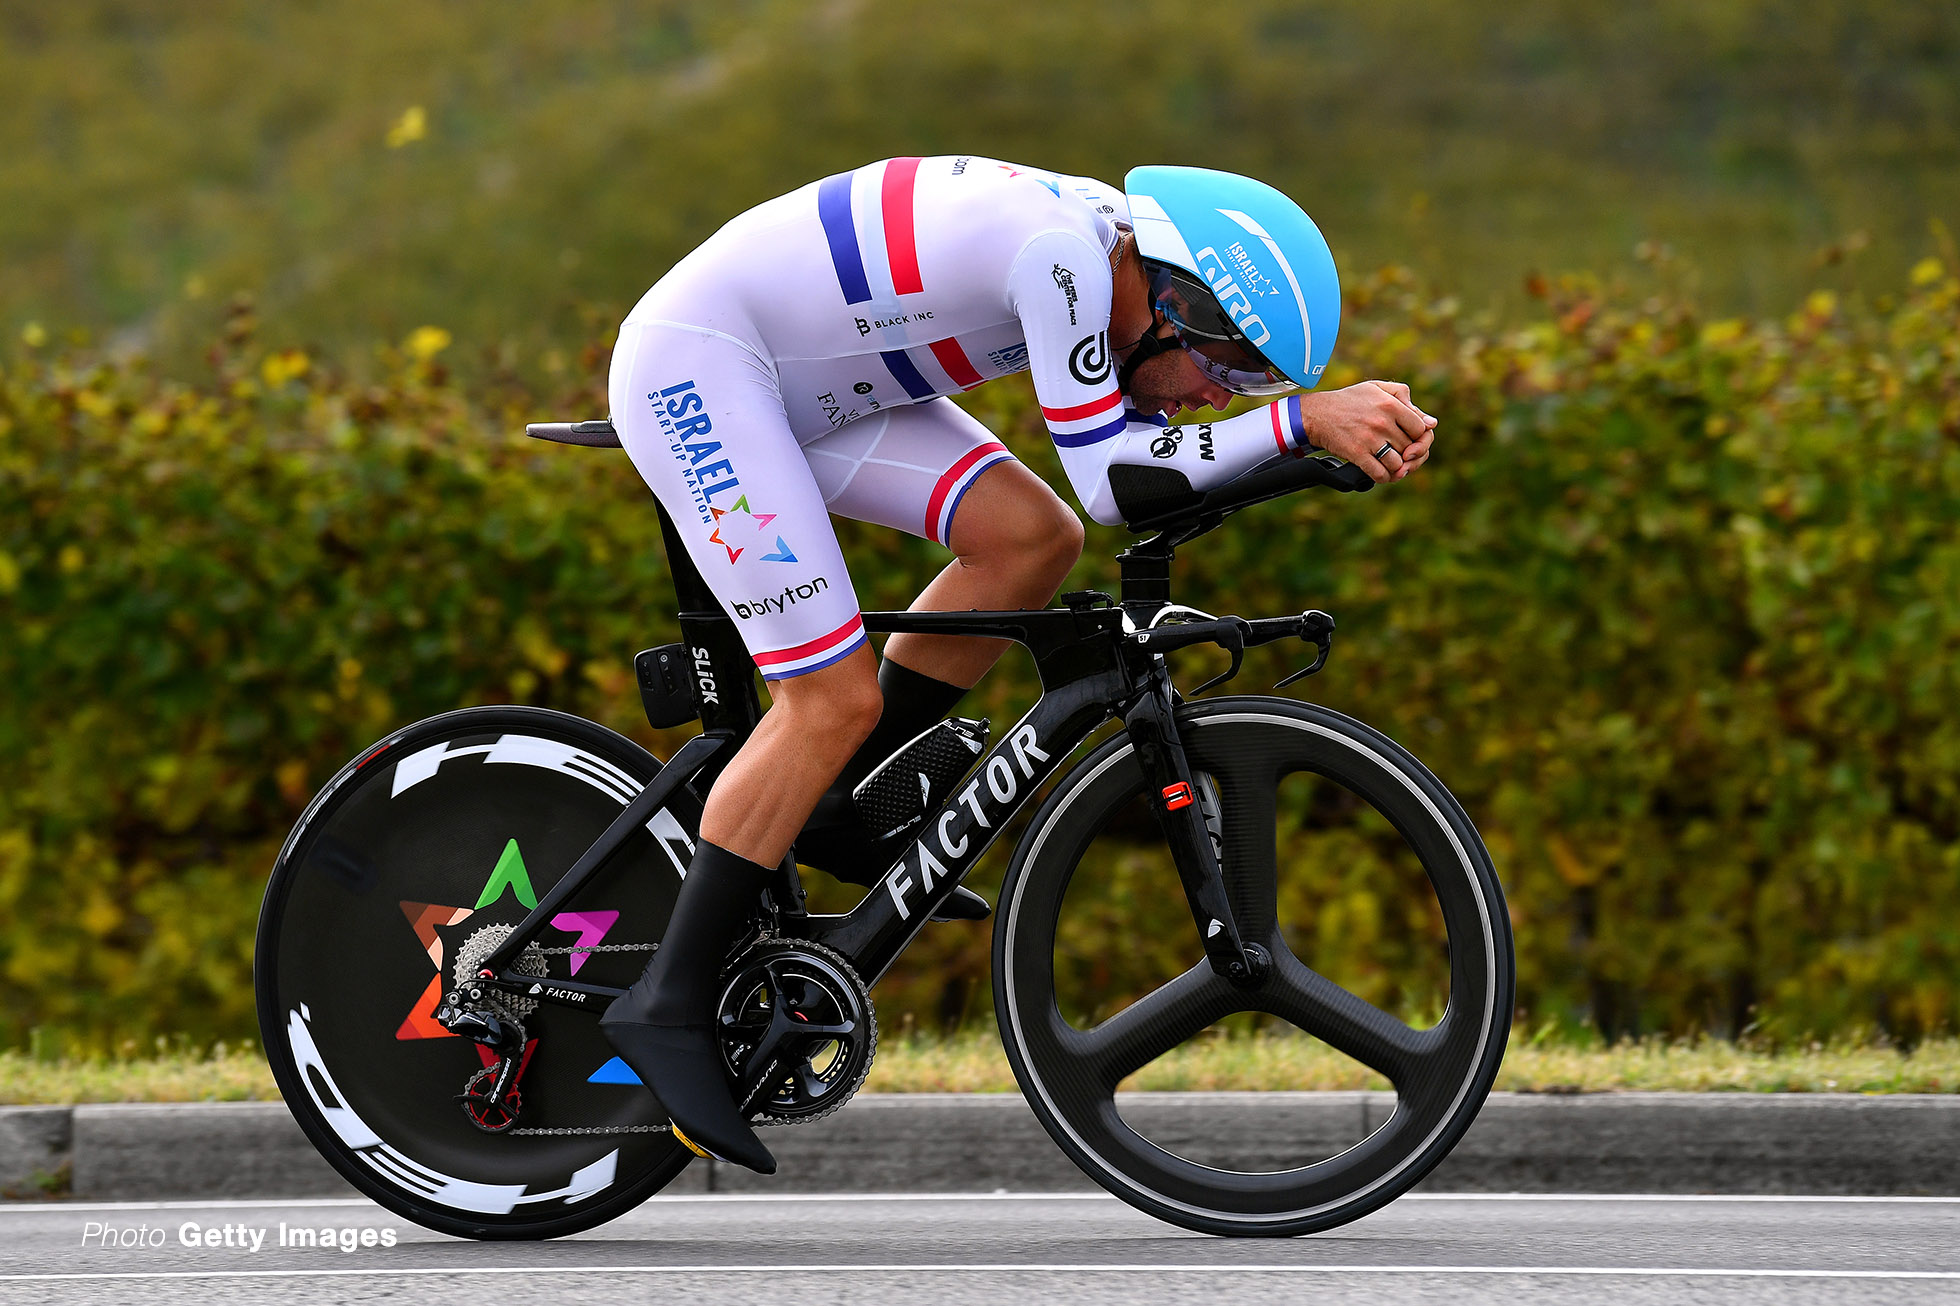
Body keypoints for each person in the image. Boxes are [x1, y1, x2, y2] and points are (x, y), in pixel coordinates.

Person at [599, 157, 1437, 1173]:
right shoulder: (1062, 260)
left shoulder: (1101, 254)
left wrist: (1297, 447)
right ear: (1172, 307)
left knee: (1028, 541)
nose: (1217, 399)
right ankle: (667, 1002)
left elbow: (1118, 479)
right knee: (826, 697)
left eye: (1249, 388)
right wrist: (1300, 422)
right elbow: (1114, 480)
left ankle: (837, 808)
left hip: (803, 384)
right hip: (703, 371)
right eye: (1231, 373)